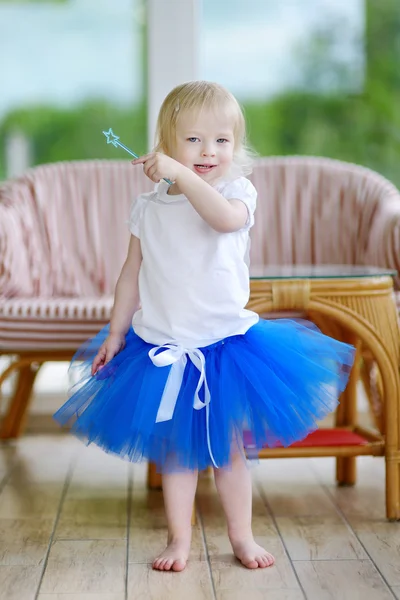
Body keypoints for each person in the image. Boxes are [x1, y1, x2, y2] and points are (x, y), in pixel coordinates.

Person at [54, 81, 355, 573]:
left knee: (231, 451)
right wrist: (114, 332)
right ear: (165, 145)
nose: (208, 151)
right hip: (163, 346)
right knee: (176, 454)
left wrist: (183, 177)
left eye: (221, 140)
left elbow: (223, 221)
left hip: (227, 347)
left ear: (235, 147)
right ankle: (178, 539)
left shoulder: (237, 193)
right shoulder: (149, 206)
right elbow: (131, 274)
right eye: (193, 140)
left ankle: (241, 534)